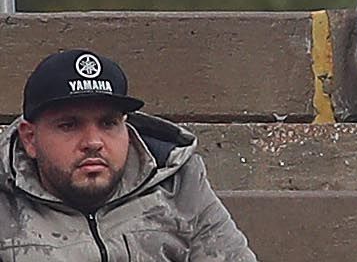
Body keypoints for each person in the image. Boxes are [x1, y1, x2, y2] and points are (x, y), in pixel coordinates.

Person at [2, 49, 256, 259]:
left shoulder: (177, 182)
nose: (93, 142)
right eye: (69, 125)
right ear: (30, 139)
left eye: (108, 123)